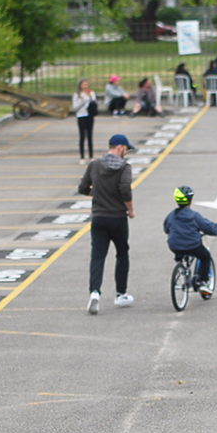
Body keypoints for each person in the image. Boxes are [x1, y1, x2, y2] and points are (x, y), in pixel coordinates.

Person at [79, 134, 136, 314]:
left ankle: (94, 292)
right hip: (118, 218)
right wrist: (131, 210)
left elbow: (82, 188)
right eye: (126, 149)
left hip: (98, 218)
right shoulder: (124, 168)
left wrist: (97, 194)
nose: (126, 153)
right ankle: (121, 294)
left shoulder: (94, 165)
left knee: (98, 256)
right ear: (119, 148)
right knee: (122, 254)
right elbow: (125, 189)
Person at [164, 186, 217, 295]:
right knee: (205, 256)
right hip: (192, 246)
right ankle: (203, 281)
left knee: (179, 250)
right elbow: (210, 228)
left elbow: (166, 229)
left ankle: (179, 261)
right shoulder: (194, 216)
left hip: (174, 245)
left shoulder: (171, 216)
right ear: (190, 200)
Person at [72, 78, 98, 166]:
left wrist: (90, 97)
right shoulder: (76, 95)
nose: (85, 86)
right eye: (83, 85)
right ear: (80, 86)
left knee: (90, 136)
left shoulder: (91, 93)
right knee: (82, 136)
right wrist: (82, 100)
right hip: (81, 116)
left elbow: (94, 103)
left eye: (86, 84)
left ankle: (91, 156)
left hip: (89, 115)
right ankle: (82, 157)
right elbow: (75, 107)